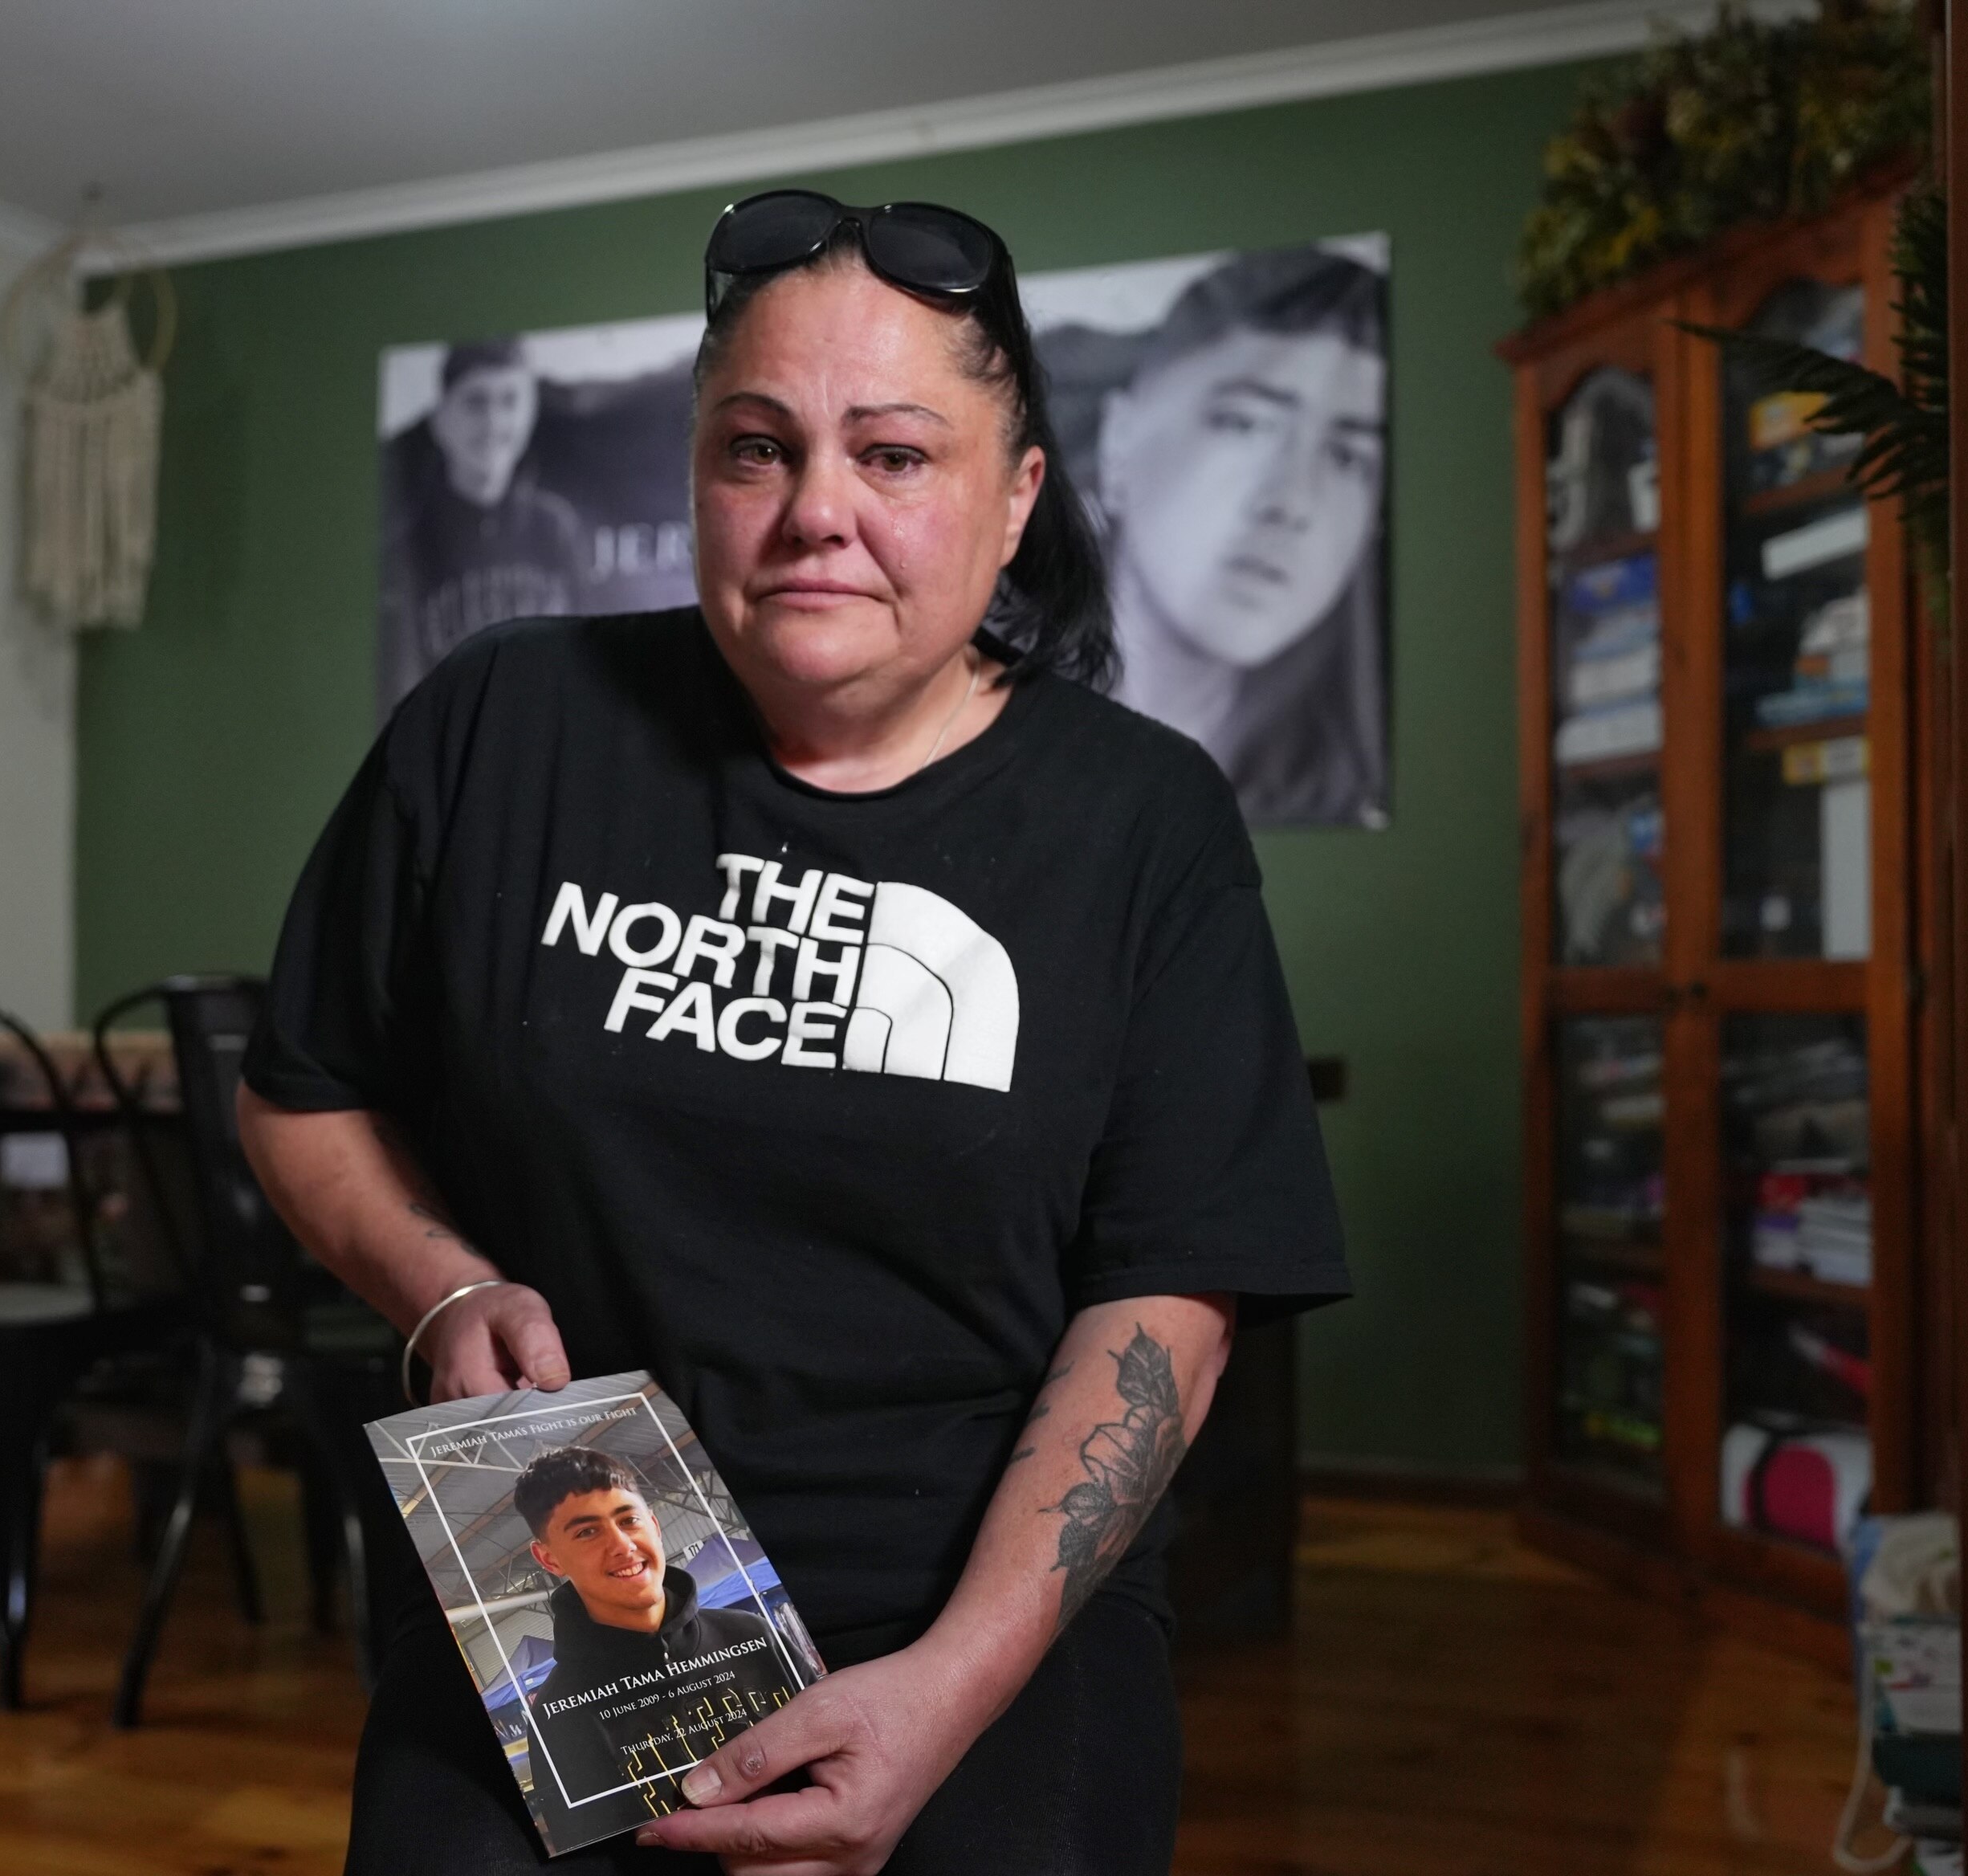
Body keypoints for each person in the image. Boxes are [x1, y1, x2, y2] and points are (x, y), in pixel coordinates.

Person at [242, 188, 1349, 1876]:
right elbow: (304, 1094)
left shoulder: (1143, 820)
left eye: (895, 455)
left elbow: (1167, 1309)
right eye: (755, 448)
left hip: (980, 1594)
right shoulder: (503, 722)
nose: (814, 511)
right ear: (694, 471)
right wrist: (440, 1284)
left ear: (1017, 493)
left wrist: (946, 1693)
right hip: (564, 1566)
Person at [1094, 247, 1387, 826]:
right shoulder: (962, 743)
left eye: (1349, 458)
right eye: (1245, 424)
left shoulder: (1350, 803)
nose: (1291, 503)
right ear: (1119, 444)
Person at [508, 1448, 788, 1841]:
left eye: (629, 1520)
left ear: (654, 1526)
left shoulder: (752, 1635)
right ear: (549, 1559)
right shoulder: (560, 1714)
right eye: (587, 1531)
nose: (622, 1546)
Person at [377, 338, 589, 712]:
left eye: (509, 400)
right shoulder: (409, 544)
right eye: (476, 402)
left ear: (531, 411)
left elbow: (588, 667)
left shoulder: (556, 528)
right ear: (440, 418)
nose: (494, 422)